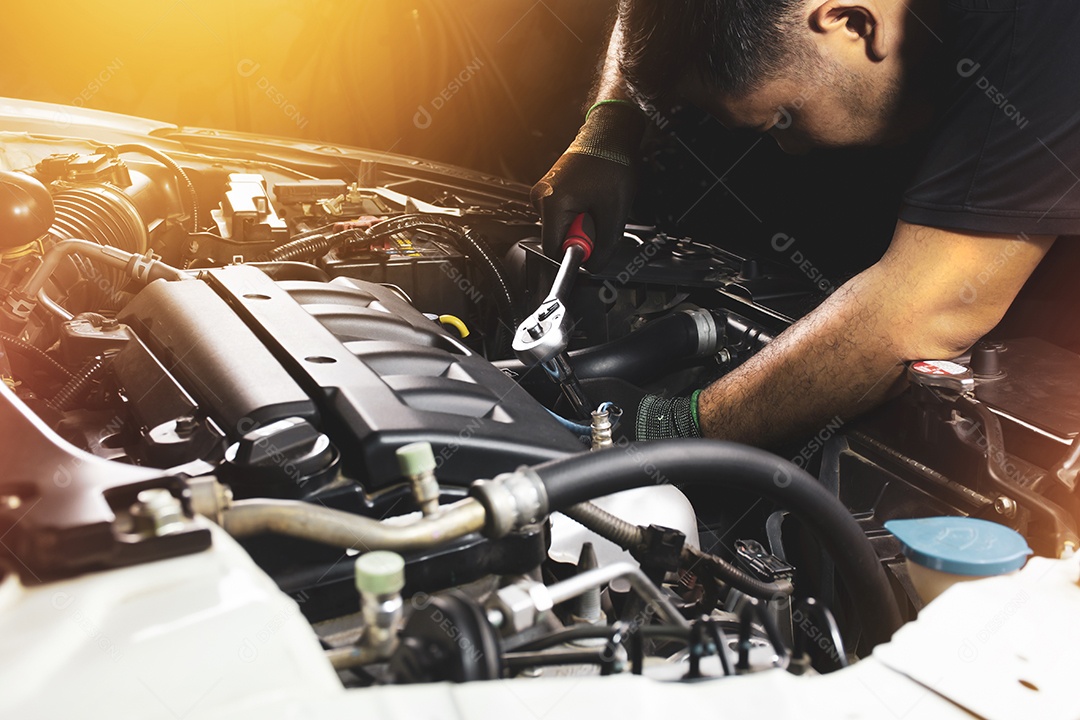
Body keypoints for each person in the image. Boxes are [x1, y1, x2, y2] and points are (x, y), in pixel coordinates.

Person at [531, 0, 1080, 447]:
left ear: (852, 20)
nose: (788, 150)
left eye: (780, 120)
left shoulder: (1039, 34)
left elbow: (928, 306)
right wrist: (610, 128)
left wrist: (672, 428)